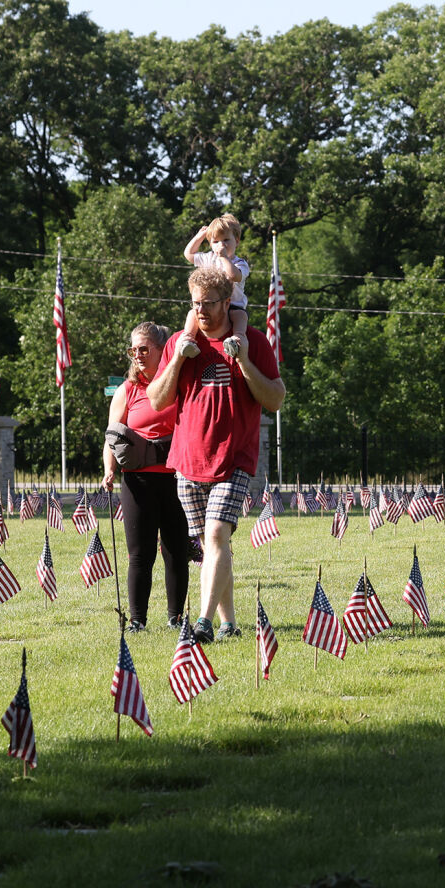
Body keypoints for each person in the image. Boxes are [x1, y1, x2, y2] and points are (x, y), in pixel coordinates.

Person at [148, 265, 285, 643]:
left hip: (234, 458)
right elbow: (157, 401)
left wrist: (243, 361)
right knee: (211, 546)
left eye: (209, 303)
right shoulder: (181, 341)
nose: (201, 310)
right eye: (196, 304)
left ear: (227, 302)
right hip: (188, 461)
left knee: (217, 534)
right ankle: (229, 623)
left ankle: (203, 624)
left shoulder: (252, 340)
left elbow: (275, 399)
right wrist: (177, 358)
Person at [102, 322, 189, 632]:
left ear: (161, 350)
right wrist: (109, 469)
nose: (137, 355)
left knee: (176, 551)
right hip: (138, 482)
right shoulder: (127, 390)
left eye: (143, 349)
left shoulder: (180, 383)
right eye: (133, 350)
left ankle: (176, 618)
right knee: (140, 554)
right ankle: (137, 620)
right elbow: (112, 436)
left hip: (177, 479)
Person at [179, 214, 249, 360]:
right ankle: (188, 340)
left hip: (233, 306)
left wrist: (223, 257)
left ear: (236, 241)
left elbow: (233, 276)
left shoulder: (239, 263)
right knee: (192, 314)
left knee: (240, 317)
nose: (221, 245)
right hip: (209, 305)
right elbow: (188, 254)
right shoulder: (209, 257)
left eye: (226, 240)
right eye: (216, 241)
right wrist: (200, 236)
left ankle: (236, 341)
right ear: (211, 244)